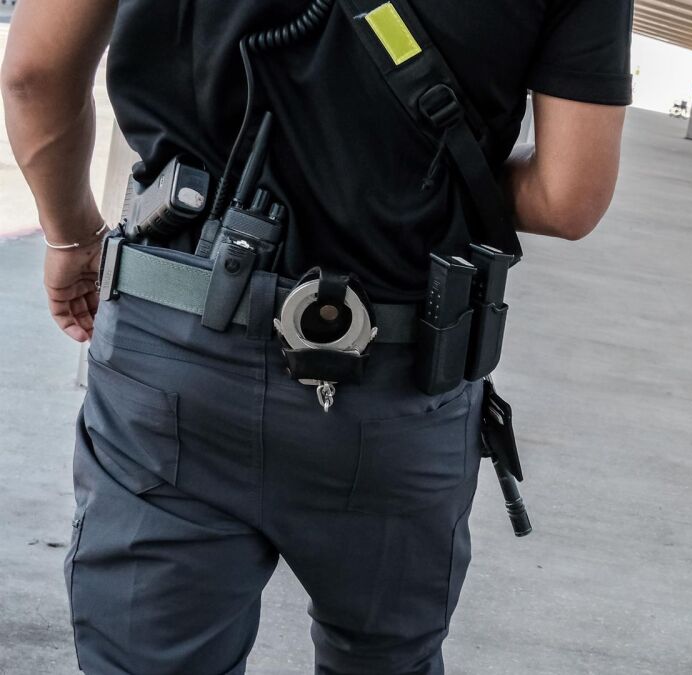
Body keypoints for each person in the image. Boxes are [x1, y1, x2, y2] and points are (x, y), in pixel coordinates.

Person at [3, 0, 630, 672]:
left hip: (173, 362)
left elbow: (34, 73)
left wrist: (72, 233)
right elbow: (568, 196)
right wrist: (413, 180)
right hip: (396, 383)